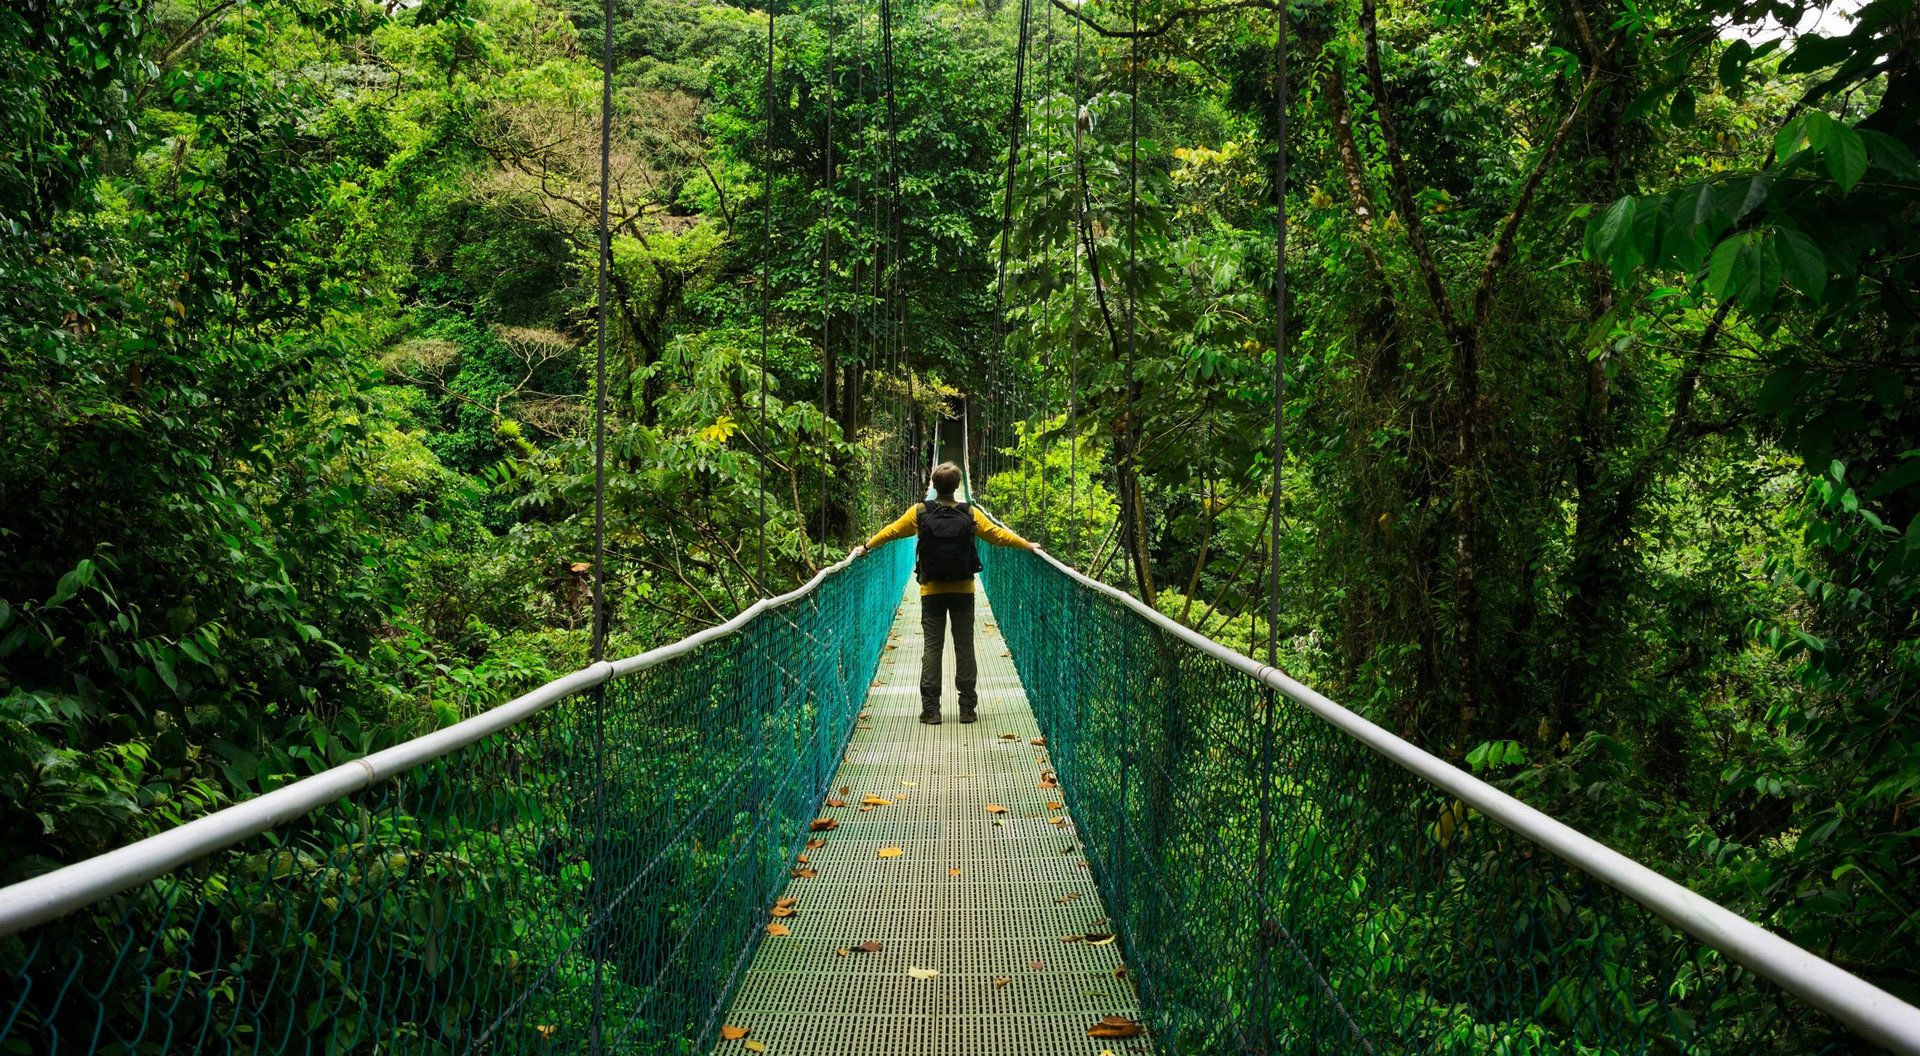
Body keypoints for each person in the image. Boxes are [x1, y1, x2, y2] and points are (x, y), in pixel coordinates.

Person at [850, 461, 1039, 725]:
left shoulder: (920, 512)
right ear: (957, 487)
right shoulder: (970, 513)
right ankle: (967, 708)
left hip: (932, 590)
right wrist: (1027, 544)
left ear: (934, 487)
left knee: (932, 647)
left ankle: (931, 710)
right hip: (964, 589)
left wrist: (866, 546)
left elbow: (892, 531)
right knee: (964, 646)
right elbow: (997, 535)